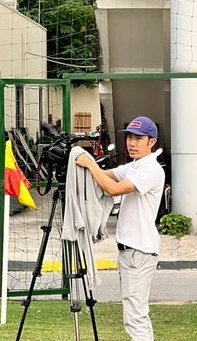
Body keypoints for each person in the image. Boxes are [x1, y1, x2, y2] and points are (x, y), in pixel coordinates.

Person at [75, 116, 164, 341]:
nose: (132, 143)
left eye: (138, 138)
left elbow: (114, 189)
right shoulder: (135, 166)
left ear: (151, 142)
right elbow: (107, 176)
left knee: (136, 316)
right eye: (129, 138)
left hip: (139, 251)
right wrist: (79, 164)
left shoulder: (150, 169)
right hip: (129, 250)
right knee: (132, 314)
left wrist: (90, 164)